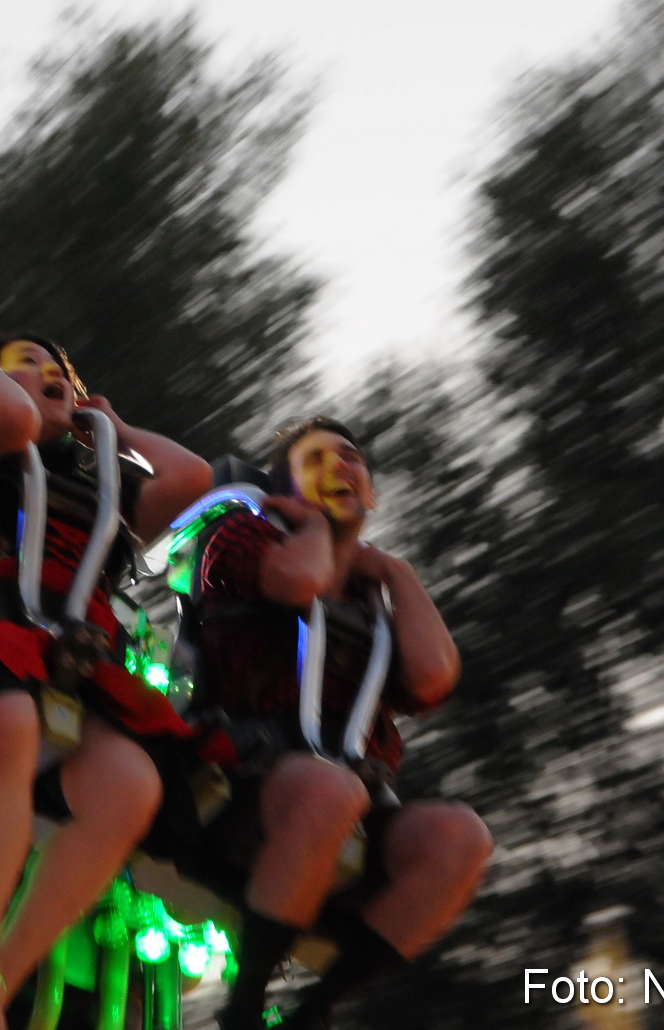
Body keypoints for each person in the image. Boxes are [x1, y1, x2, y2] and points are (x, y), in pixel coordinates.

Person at [0, 331, 210, 1030]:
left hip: (75, 665)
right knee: (11, 722)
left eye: (61, 374)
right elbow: (8, 420)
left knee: (131, 786)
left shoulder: (98, 481)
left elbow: (191, 480)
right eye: (29, 366)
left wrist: (116, 426)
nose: (50, 377)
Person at [192, 417, 493, 1030]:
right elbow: (296, 581)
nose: (341, 468)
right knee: (333, 790)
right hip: (239, 779)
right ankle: (244, 1009)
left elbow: (434, 677)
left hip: (346, 802)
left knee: (460, 838)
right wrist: (308, 529)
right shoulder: (242, 537)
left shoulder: (378, 600)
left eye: (352, 458)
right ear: (285, 491)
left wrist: (398, 573)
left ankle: (316, 1010)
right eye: (317, 460)